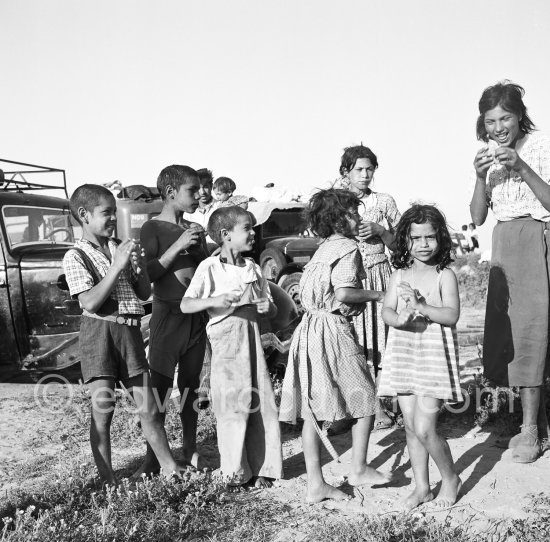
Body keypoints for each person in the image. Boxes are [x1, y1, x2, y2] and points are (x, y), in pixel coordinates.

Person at [62, 184, 186, 484]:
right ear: (84, 215)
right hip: (99, 334)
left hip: (129, 332)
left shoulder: (120, 246)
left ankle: (170, 466)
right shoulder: (75, 255)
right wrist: (117, 265)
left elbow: (143, 292)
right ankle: (108, 480)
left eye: (113, 213)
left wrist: (138, 266)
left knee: (150, 408)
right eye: (106, 214)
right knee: (103, 411)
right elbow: (90, 301)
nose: (112, 220)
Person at [279, 188, 390, 503]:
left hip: (310, 329)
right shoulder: (348, 248)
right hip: (332, 328)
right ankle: (358, 468)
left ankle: (316, 483)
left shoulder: (322, 249)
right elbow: (343, 294)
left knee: (314, 410)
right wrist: (378, 296)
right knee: (365, 398)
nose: (358, 218)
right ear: (339, 219)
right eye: (353, 212)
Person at [470, 81, 550, 463]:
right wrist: (476, 176)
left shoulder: (538, 146)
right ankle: (531, 423)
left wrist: (521, 166)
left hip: (535, 237)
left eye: (505, 117)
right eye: (490, 121)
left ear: (520, 116)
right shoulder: (486, 155)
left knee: (533, 333)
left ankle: (531, 430)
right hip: (504, 243)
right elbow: (477, 217)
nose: (499, 126)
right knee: (511, 335)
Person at [181, 206, 283, 488]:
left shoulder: (253, 268)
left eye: (253, 227)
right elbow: (186, 304)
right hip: (226, 342)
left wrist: (267, 306)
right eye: (247, 228)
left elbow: (270, 310)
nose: (253, 233)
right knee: (232, 407)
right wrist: (213, 302)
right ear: (226, 235)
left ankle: (265, 467)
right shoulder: (209, 268)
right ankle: (236, 473)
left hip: (252, 340)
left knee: (261, 402)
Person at [378, 204, 462, 511]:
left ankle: (451, 479)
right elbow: (387, 310)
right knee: (411, 428)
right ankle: (423, 488)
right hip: (403, 356)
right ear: (405, 240)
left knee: (426, 428)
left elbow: (451, 316)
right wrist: (397, 319)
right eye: (416, 238)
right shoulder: (398, 274)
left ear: (440, 238)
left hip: (433, 360)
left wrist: (422, 306)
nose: (423, 244)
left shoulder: (445, 275)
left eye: (430, 237)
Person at [135, 165, 209, 477]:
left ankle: (190, 448)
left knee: (191, 386)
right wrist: (178, 246)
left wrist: (201, 247)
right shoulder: (153, 228)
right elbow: (147, 275)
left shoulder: (193, 226)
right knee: (160, 389)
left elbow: (205, 270)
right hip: (167, 316)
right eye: (193, 191)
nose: (200, 195)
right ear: (170, 193)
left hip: (196, 317)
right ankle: (153, 458)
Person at [334, 145, 401, 431]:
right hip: (348, 279)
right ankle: (351, 408)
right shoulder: (335, 203)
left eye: (369, 169)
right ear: (345, 172)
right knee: (351, 344)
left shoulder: (383, 202)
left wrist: (380, 231)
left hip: (378, 276)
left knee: (379, 343)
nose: (365, 175)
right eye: (358, 169)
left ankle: (379, 407)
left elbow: (401, 246)